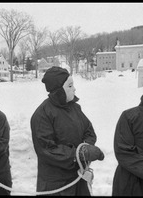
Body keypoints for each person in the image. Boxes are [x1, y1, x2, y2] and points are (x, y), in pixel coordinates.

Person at [30, 66, 104, 196]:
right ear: (58, 90)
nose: (74, 89)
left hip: (78, 177)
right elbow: (47, 149)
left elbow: (89, 131)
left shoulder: (75, 108)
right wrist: (78, 155)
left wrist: (85, 149)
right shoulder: (42, 114)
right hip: (56, 184)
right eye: (70, 86)